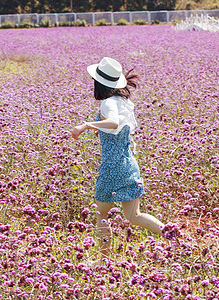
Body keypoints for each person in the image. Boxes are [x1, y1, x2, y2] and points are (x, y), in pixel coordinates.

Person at [71, 57, 165, 260]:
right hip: (129, 163)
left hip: (112, 165)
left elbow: (113, 123)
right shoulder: (124, 101)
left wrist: (87, 125)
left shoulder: (108, 103)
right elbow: (118, 127)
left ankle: (104, 261)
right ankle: (173, 235)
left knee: (101, 213)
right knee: (134, 216)